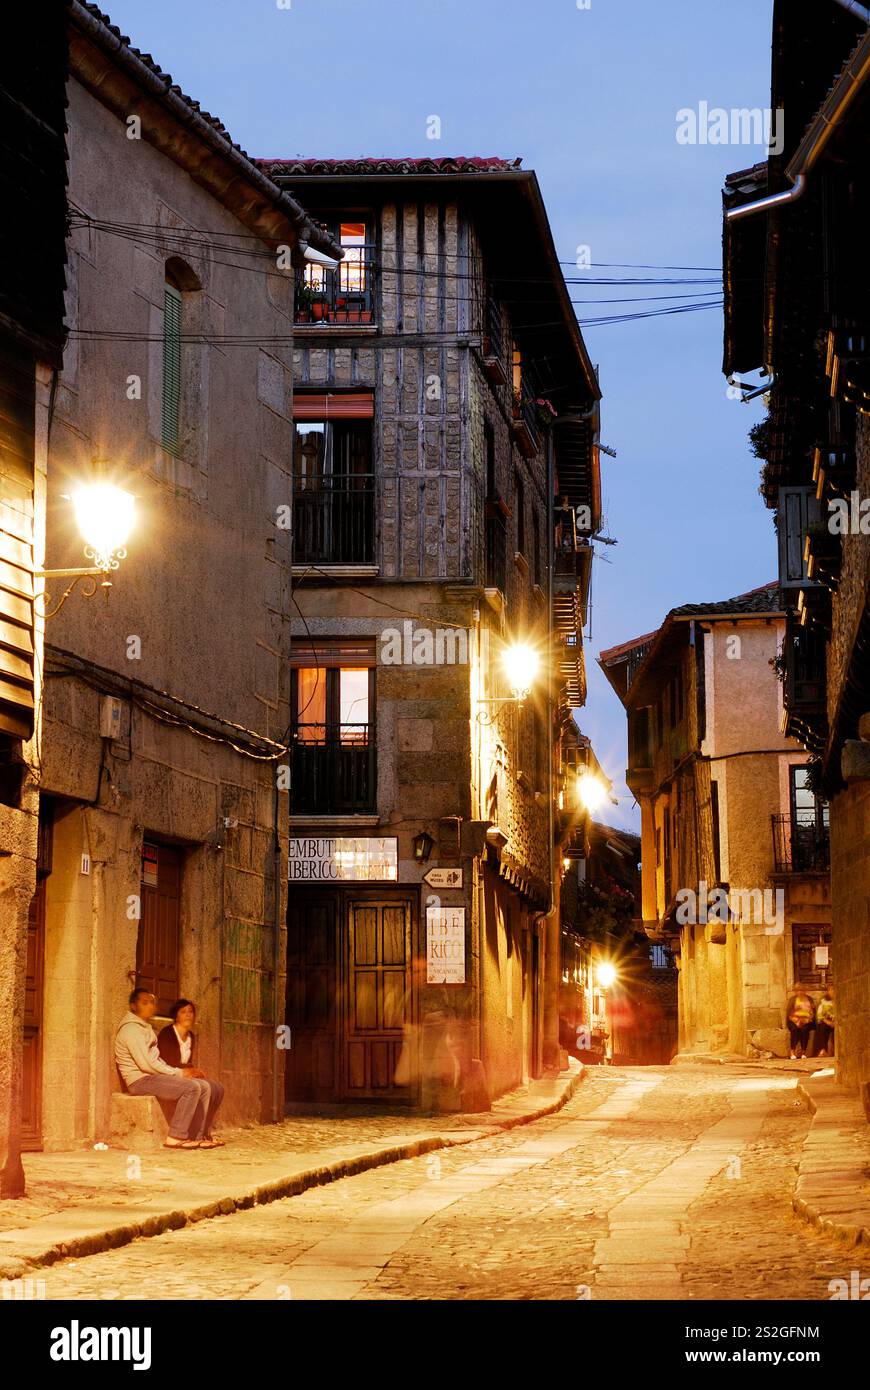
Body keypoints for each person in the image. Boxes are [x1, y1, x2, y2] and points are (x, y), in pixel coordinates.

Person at [114, 987, 210, 1149]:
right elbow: (146, 1064)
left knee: (204, 1086)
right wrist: (178, 1073)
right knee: (191, 1088)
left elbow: (156, 1060)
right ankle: (176, 1136)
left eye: (152, 1002)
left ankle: (197, 1135)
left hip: (150, 1077)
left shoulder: (145, 1027)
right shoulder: (131, 1029)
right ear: (133, 1006)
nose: (150, 1006)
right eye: (144, 1003)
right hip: (139, 1081)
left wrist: (178, 1073)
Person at [157, 999, 225, 1147]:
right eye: (183, 1012)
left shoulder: (191, 1037)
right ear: (176, 1016)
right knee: (203, 1087)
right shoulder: (167, 1034)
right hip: (170, 1074)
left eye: (190, 1011)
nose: (188, 1015)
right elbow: (167, 1062)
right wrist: (188, 1071)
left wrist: (194, 1070)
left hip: (184, 1073)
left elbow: (186, 1062)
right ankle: (195, 1134)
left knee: (217, 1088)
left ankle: (205, 1133)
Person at [786, 988, 816, 1060]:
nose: (800, 992)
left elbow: (813, 1013)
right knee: (794, 1029)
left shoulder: (809, 999)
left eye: (802, 990)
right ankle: (792, 1052)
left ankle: (803, 1052)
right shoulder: (792, 1000)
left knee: (805, 1029)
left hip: (806, 1020)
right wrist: (797, 1021)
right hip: (794, 1020)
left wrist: (807, 1020)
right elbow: (789, 1014)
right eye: (798, 990)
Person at [816, 988, 835, 1057]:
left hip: (837, 1022)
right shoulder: (823, 1001)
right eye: (831, 990)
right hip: (826, 1021)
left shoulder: (841, 1001)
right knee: (822, 1028)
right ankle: (823, 1050)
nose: (833, 992)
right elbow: (820, 1014)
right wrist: (828, 1022)